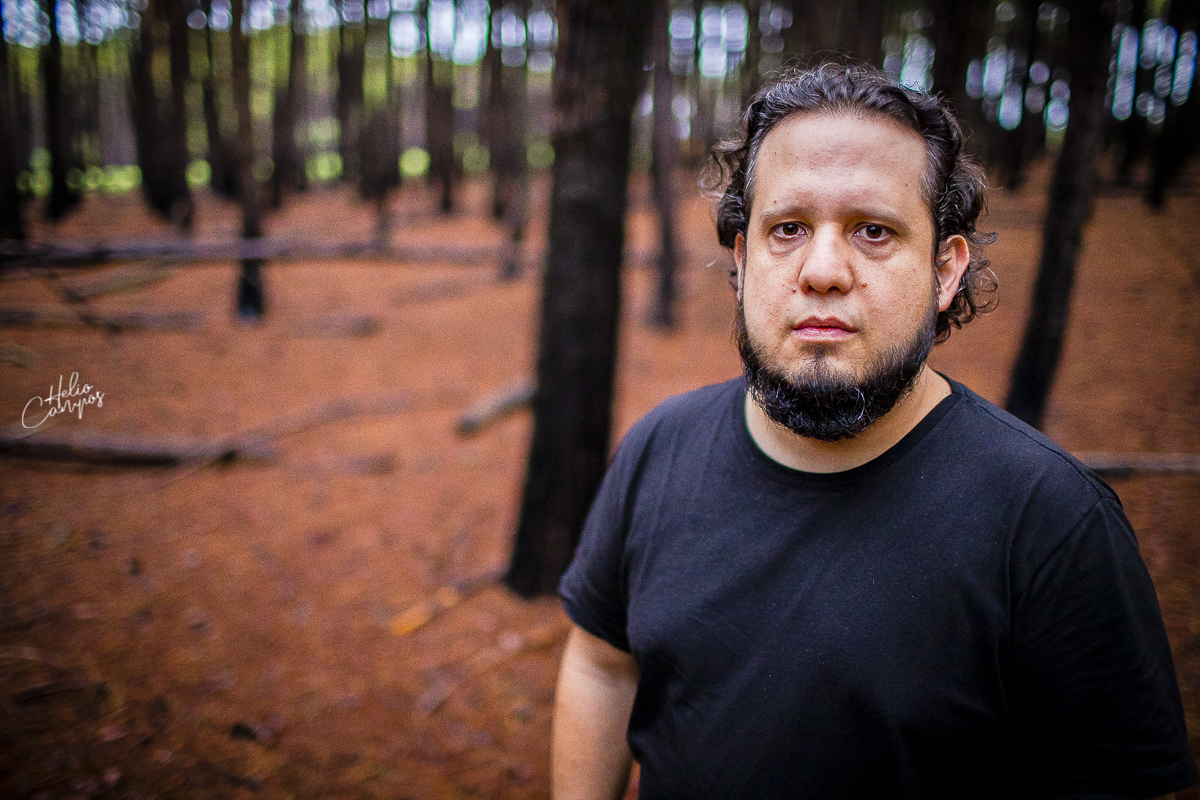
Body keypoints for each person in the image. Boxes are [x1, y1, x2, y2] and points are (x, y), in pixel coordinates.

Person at [551, 64, 1197, 800]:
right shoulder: (659, 449)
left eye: (874, 231)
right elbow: (603, 665)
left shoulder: (1052, 523)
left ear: (945, 271)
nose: (823, 270)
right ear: (743, 259)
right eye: (787, 229)